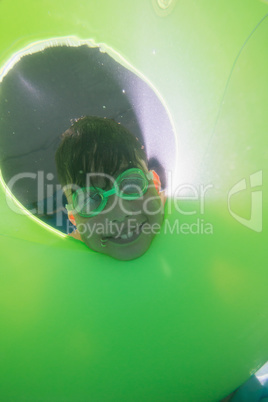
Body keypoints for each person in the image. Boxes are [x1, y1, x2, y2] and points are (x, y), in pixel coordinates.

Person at [55, 116, 166, 260]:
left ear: (156, 185)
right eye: (92, 200)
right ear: (74, 219)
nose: (119, 215)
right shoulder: (62, 262)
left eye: (131, 185)